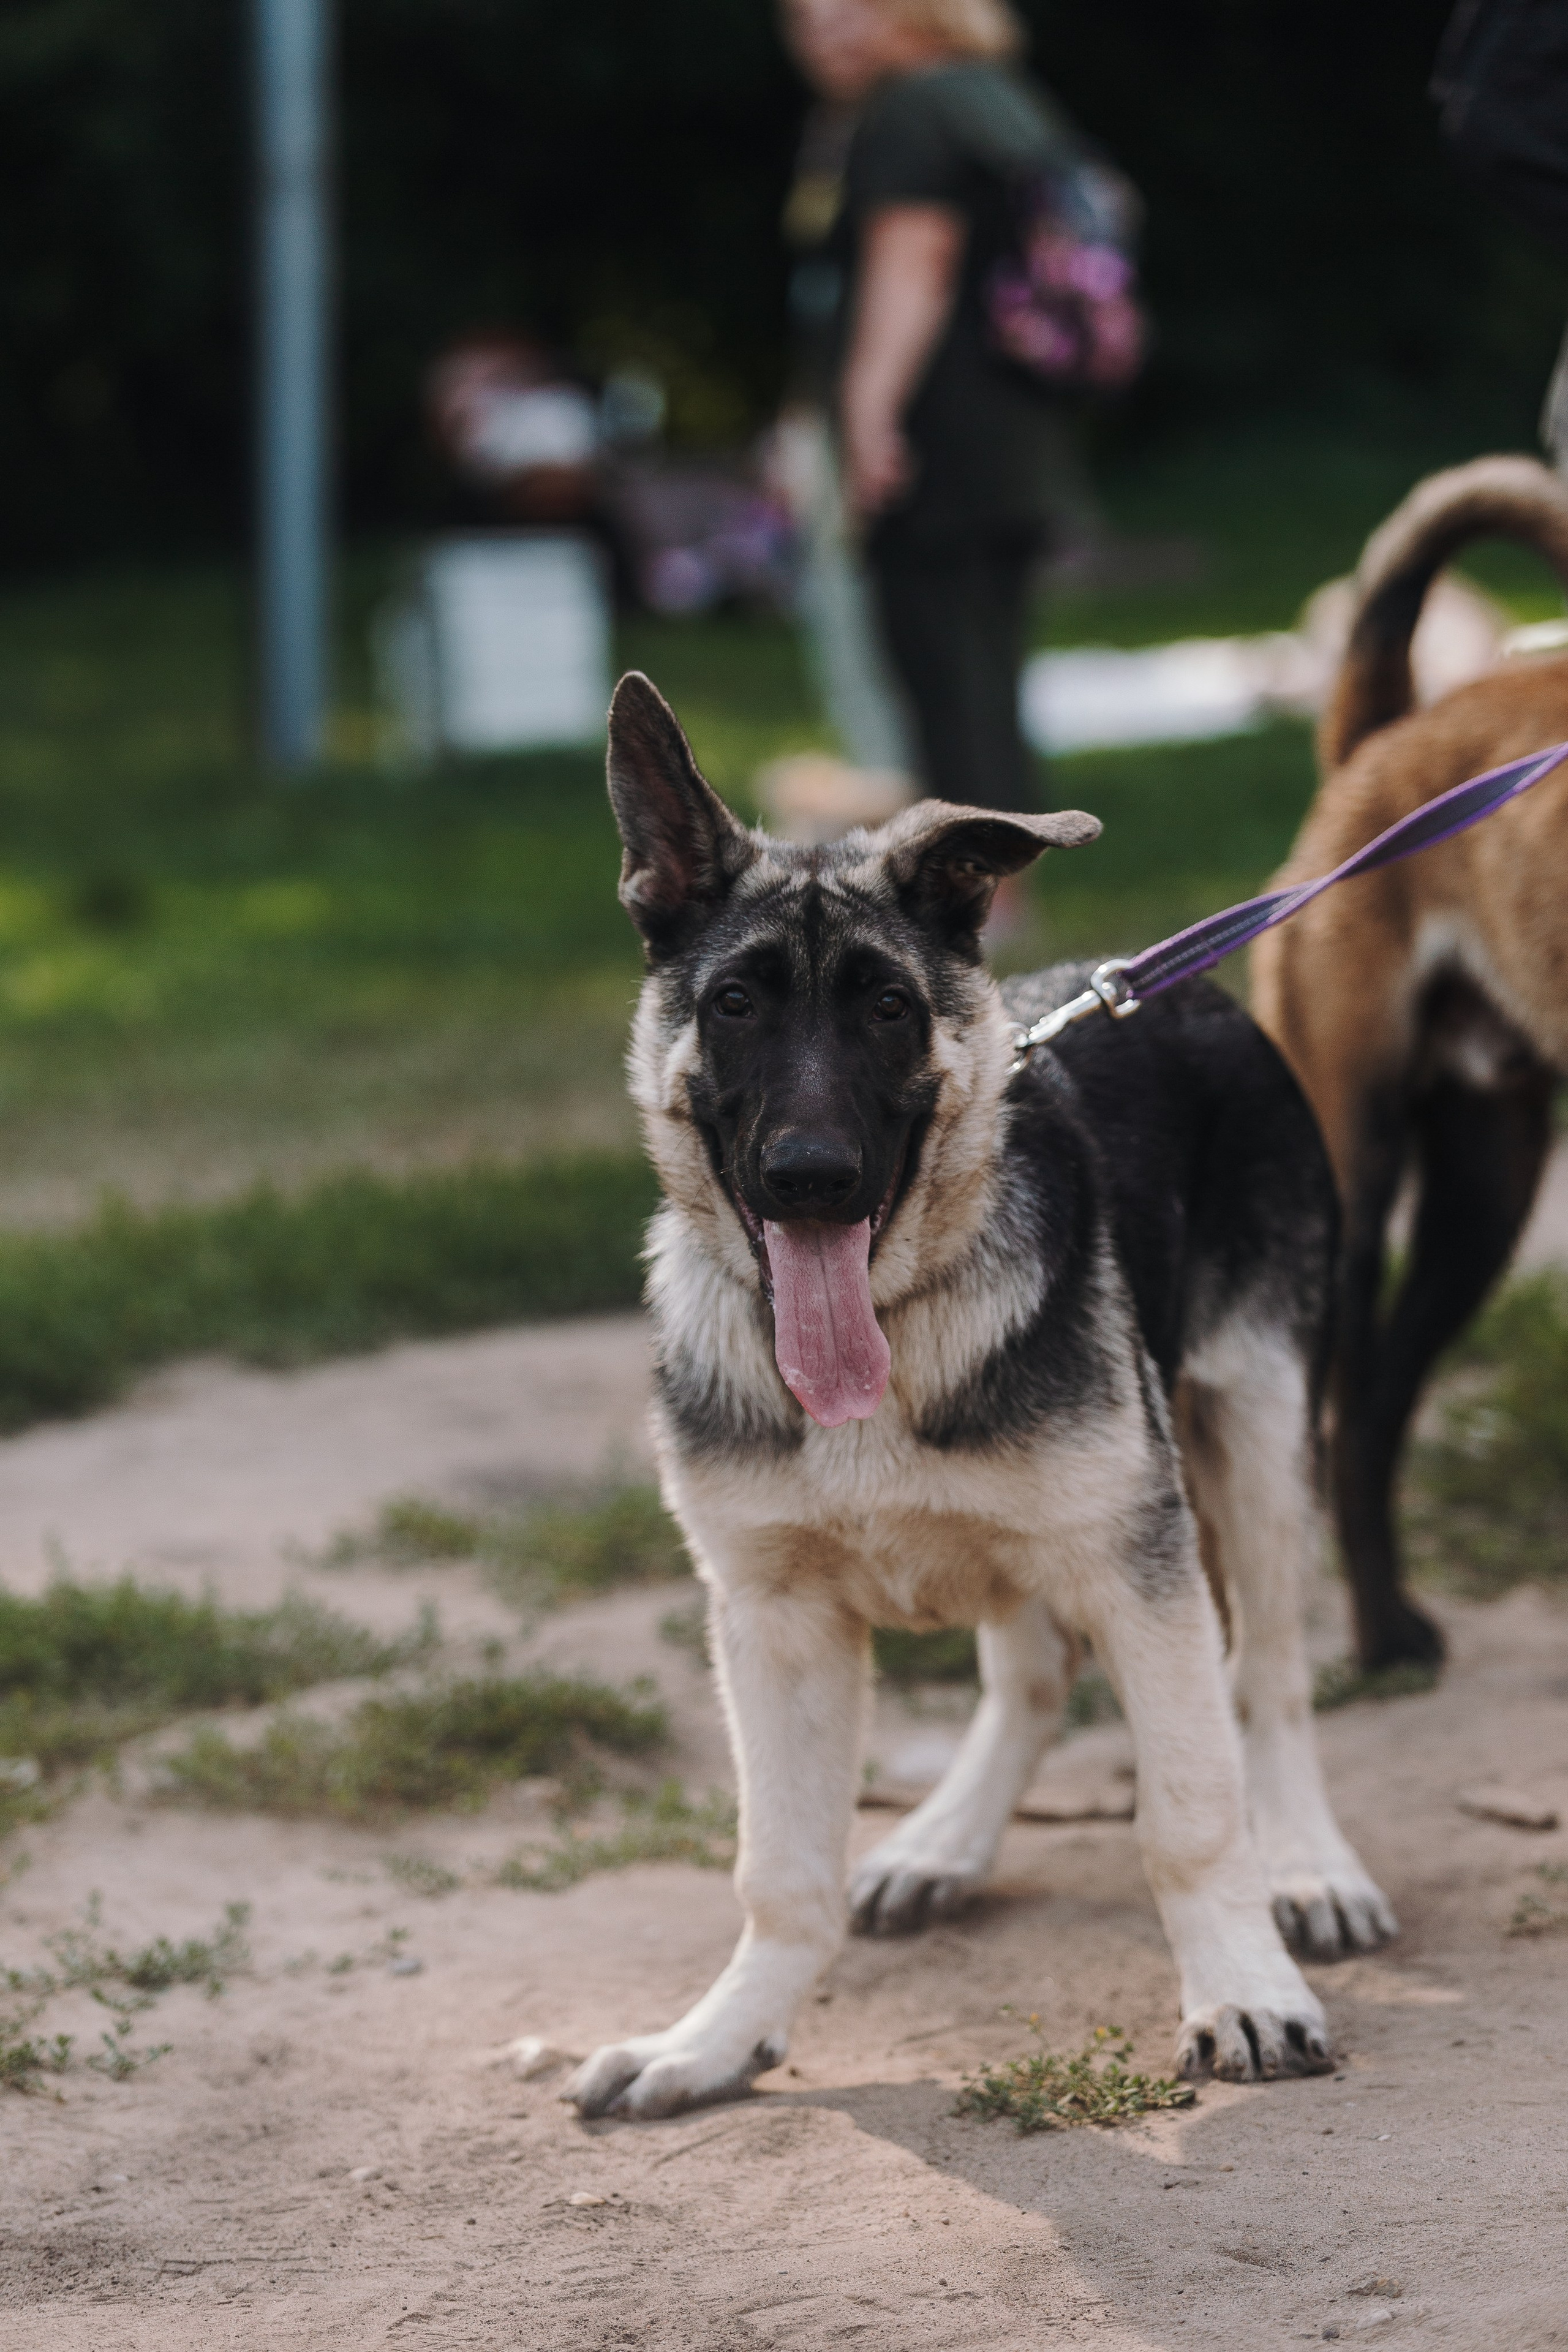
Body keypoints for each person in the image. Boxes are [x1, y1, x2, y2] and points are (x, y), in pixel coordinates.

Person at [780, 0, 1106, 811]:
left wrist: (867, 418)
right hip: (1016, 430)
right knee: (986, 676)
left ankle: (974, 904)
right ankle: (1007, 890)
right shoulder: (1001, 99)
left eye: (849, 8)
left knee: (939, 682)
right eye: (806, 15)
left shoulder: (910, 110)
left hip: (934, 437)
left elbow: (914, 266)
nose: (825, 30)